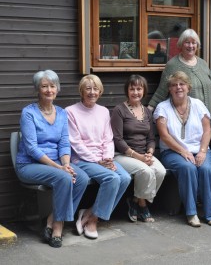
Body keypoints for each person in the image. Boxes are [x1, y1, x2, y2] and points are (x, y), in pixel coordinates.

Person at [15, 70, 89, 248]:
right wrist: (59, 168)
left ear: (57, 88)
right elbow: (32, 148)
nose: (49, 90)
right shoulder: (28, 113)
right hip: (30, 164)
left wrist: (65, 164)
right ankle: (57, 228)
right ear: (37, 89)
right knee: (64, 177)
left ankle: (51, 219)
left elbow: (64, 142)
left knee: (82, 178)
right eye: (44, 86)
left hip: (57, 163)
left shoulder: (62, 113)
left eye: (52, 86)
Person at [66, 74, 131, 239]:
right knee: (112, 179)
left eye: (96, 88)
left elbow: (108, 139)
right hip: (82, 159)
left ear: (100, 91)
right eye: (88, 88)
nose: (92, 92)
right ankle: (94, 220)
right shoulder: (71, 112)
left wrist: (107, 158)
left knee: (124, 178)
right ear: (81, 91)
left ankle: (89, 213)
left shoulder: (103, 111)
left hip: (103, 159)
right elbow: (76, 143)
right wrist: (98, 161)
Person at [154, 71, 211, 227]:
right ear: (169, 89)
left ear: (188, 87)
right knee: (187, 168)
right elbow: (164, 136)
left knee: (206, 169)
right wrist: (183, 151)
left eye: (182, 84)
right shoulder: (162, 108)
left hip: (200, 149)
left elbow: (207, 130)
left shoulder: (198, 104)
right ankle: (191, 213)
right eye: (174, 85)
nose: (178, 87)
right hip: (173, 151)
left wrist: (203, 151)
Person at [111, 75, 166, 223]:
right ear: (127, 91)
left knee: (161, 171)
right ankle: (142, 205)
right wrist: (139, 157)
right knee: (145, 171)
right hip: (123, 154)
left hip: (143, 154)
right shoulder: (119, 110)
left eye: (139, 89)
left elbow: (151, 139)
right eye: (132, 89)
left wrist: (149, 153)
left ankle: (135, 200)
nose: (136, 92)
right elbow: (117, 139)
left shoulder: (147, 112)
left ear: (144, 91)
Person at [148, 28, 211, 113]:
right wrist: (147, 113)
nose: (191, 46)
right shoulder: (173, 65)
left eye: (194, 43)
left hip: (204, 120)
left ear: (197, 45)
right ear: (181, 44)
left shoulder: (203, 64)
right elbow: (161, 93)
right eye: (187, 42)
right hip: (182, 120)